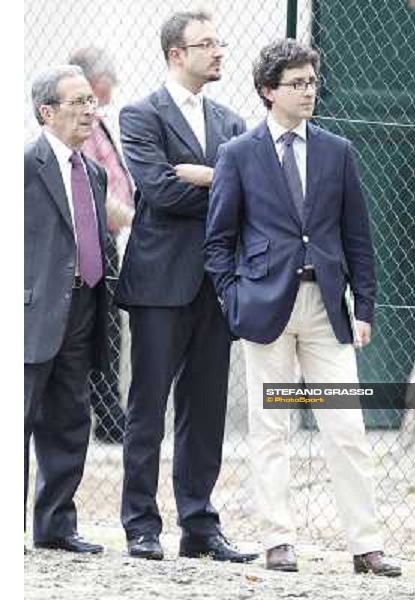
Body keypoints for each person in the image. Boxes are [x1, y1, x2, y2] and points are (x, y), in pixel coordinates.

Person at [204, 39, 401, 576]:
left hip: (325, 311)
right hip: (265, 310)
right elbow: (218, 240)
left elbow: (359, 235)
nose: (309, 91)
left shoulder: (338, 150)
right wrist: (233, 298)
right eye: (297, 83)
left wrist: (365, 306)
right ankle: (278, 541)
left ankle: (366, 545)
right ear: (269, 91)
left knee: (346, 427)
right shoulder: (239, 154)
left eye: (312, 81)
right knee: (271, 428)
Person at [114, 11, 256, 563]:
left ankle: (199, 524)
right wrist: (224, 180)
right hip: (157, 284)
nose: (219, 52)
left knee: (206, 410)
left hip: (216, 284)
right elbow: (158, 190)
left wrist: (200, 175)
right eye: (207, 44)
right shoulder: (139, 114)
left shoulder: (230, 119)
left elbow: (250, 193)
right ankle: (141, 525)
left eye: (219, 42)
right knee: (147, 409)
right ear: (177, 54)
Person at [24, 65, 109, 554]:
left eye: (91, 102)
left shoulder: (91, 170)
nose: (89, 111)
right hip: (32, 313)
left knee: (70, 421)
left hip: (82, 307)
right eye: (77, 102)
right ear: (47, 112)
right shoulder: (22, 166)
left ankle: (56, 526)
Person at [68, 47, 135, 444]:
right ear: (96, 81)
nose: (113, 88)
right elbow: (93, 190)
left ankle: (111, 414)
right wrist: (134, 219)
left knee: (111, 326)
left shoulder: (98, 123)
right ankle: (107, 416)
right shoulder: (79, 128)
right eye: (110, 80)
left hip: (107, 237)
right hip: (91, 238)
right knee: (101, 328)